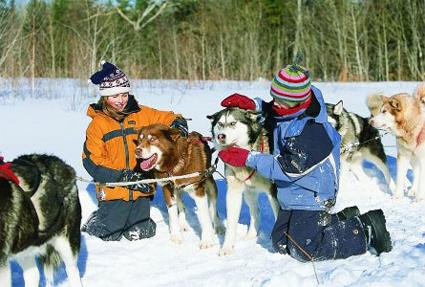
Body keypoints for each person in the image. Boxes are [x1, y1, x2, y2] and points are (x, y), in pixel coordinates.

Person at [218, 64, 392, 261]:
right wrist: (253, 105)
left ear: (297, 102)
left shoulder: (309, 129)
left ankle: (367, 227)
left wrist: (248, 158)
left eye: (280, 101)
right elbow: (274, 109)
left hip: (313, 192)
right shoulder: (289, 108)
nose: (275, 103)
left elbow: (289, 167)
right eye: (274, 97)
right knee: (281, 242)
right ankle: (341, 219)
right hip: (294, 191)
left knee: (305, 248)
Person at [81, 61, 188, 241]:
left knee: (141, 231)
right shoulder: (97, 125)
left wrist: (178, 123)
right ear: (104, 97)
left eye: (124, 94)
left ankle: (136, 218)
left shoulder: (142, 114)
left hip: (140, 186)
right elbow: (92, 161)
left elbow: (168, 117)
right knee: (109, 234)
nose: (121, 100)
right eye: (114, 96)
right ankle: (96, 220)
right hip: (113, 187)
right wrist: (121, 176)